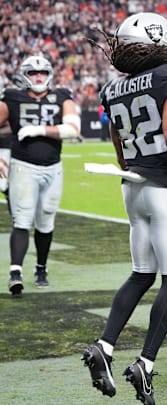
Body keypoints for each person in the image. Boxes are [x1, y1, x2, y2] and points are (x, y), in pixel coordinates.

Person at [81, 12, 167, 405]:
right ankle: (146, 363)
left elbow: (121, 153)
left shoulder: (113, 88)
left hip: (134, 188)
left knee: (141, 274)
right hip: (166, 188)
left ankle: (104, 347)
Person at [0, 55, 81, 297]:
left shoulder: (61, 96)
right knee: (22, 219)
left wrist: (38, 129)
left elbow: (73, 129)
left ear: (50, 75)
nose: (38, 77)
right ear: (24, 75)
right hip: (23, 165)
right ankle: (15, 272)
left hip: (53, 167)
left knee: (46, 220)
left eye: (43, 73)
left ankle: (41, 268)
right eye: (34, 73)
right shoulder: (12, 97)